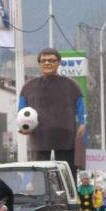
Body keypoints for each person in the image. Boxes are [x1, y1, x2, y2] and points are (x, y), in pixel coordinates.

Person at [19, 48, 86, 178]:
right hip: (39, 137)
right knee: (38, 175)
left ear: (59, 62)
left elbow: (81, 110)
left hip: (66, 138)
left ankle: (69, 197)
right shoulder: (28, 87)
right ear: (39, 63)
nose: (47, 63)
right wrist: (23, 127)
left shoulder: (72, 85)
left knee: (67, 175)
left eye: (51, 60)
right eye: (43, 60)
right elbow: (21, 112)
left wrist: (83, 125)